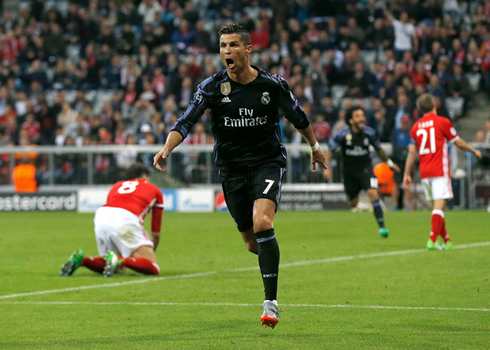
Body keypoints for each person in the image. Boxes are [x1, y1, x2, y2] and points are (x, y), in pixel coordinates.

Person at [153, 23, 327, 329]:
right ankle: (270, 257)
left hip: (267, 162)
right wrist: (167, 148)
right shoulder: (211, 87)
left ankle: (270, 303)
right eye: (222, 46)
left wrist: (314, 146)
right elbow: (186, 120)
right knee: (251, 242)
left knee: (263, 222)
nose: (226, 51)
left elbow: (298, 117)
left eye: (233, 45)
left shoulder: (272, 86)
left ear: (248, 49)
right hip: (231, 170)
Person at [403, 94, 482, 250]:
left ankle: (446, 240)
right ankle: (432, 240)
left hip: (425, 172)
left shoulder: (415, 127)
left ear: (419, 109)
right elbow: (457, 142)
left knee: (437, 209)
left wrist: (406, 174)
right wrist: (473, 150)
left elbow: (412, 153)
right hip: (440, 170)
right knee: (439, 208)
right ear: (434, 104)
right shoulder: (443, 122)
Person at [60, 163, 163, 277]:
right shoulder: (154, 189)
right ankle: (120, 259)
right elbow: (156, 233)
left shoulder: (117, 185)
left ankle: (82, 260)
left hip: (102, 215)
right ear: (144, 176)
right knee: (153, 267)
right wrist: (148, 251)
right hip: (126, 218)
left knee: (115, 267)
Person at [325, 106, 401, 238]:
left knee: (373, 194)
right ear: (351, 120)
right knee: (353, 204)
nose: (362, 119)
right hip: (349, 173)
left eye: (363, 116)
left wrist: (390, 163)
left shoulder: (369, 133)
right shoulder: (342, 134)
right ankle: (361, 206)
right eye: (358, 116)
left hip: (366, 170)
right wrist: (328, 168)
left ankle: (382, 227)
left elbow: (379, 149)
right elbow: (330, 149)